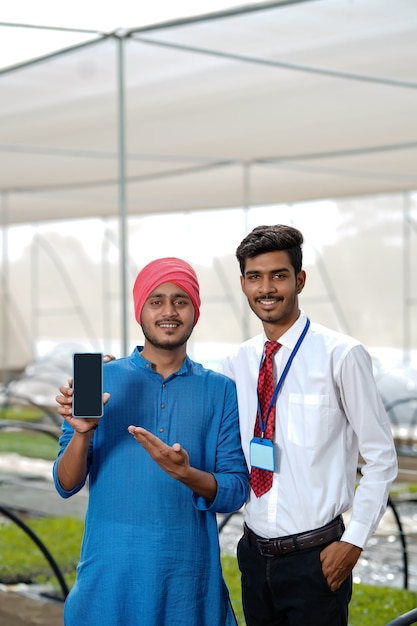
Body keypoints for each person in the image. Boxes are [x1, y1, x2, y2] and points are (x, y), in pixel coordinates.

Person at [53, 257, 249, 626]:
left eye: (180, 300)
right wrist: (82, 433)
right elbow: (66, 483)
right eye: (156, 301)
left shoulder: (221, 391)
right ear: (139, 310)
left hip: (189, 589)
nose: (169, 311)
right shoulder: (98, 378)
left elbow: (236, 489)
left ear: (195, 311)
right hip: (108, 584)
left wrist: (188, 474)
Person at [220, 224, 398, 626]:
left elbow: (381, 458)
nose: (267, 288)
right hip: (253, 554)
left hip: (317, 557)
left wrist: (352, 542)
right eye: (255, 277)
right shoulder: (237, 363)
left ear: (299, 280)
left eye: (278, 275)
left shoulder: (342, 355)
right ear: (244, 285)